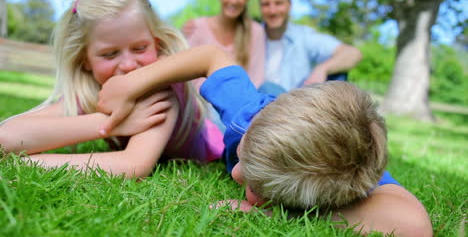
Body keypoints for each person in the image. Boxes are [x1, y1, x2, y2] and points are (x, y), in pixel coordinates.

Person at [96, 45, 432, 236]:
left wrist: (280, 215)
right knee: (271, 88)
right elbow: (211, 57)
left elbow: (414, 226)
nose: (235, 174)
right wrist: (132, 83)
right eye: (244, 156)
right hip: (269, 98)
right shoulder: (249, 115)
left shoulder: (346, 175)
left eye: (257, 184)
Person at [0, 0, 224, 178]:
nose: (128, 65)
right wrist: (110, 123)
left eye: (139, 48)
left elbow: (133, 165)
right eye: (110, 54)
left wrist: (28, 164)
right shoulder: (93, 91)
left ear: (156, 44)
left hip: (211, 143)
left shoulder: (159, 91)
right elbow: (5, 138)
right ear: (85, 59)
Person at [258, 0, 363, 95]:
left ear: (289, 5)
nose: (272, 11)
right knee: (267, 88)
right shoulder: (251, 37)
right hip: (260, 107)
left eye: (279, 3)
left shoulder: (303, 36)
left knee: (337, 76)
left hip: (296, 105)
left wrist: (322, 69)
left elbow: (353, 53)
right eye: (266, 4)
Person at [182, 0, 265, 88]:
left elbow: (256, 78)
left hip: (241, 100)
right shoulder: (197, 27)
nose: (234, 0)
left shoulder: (256, 32)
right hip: (203, 100)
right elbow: (190, 76)